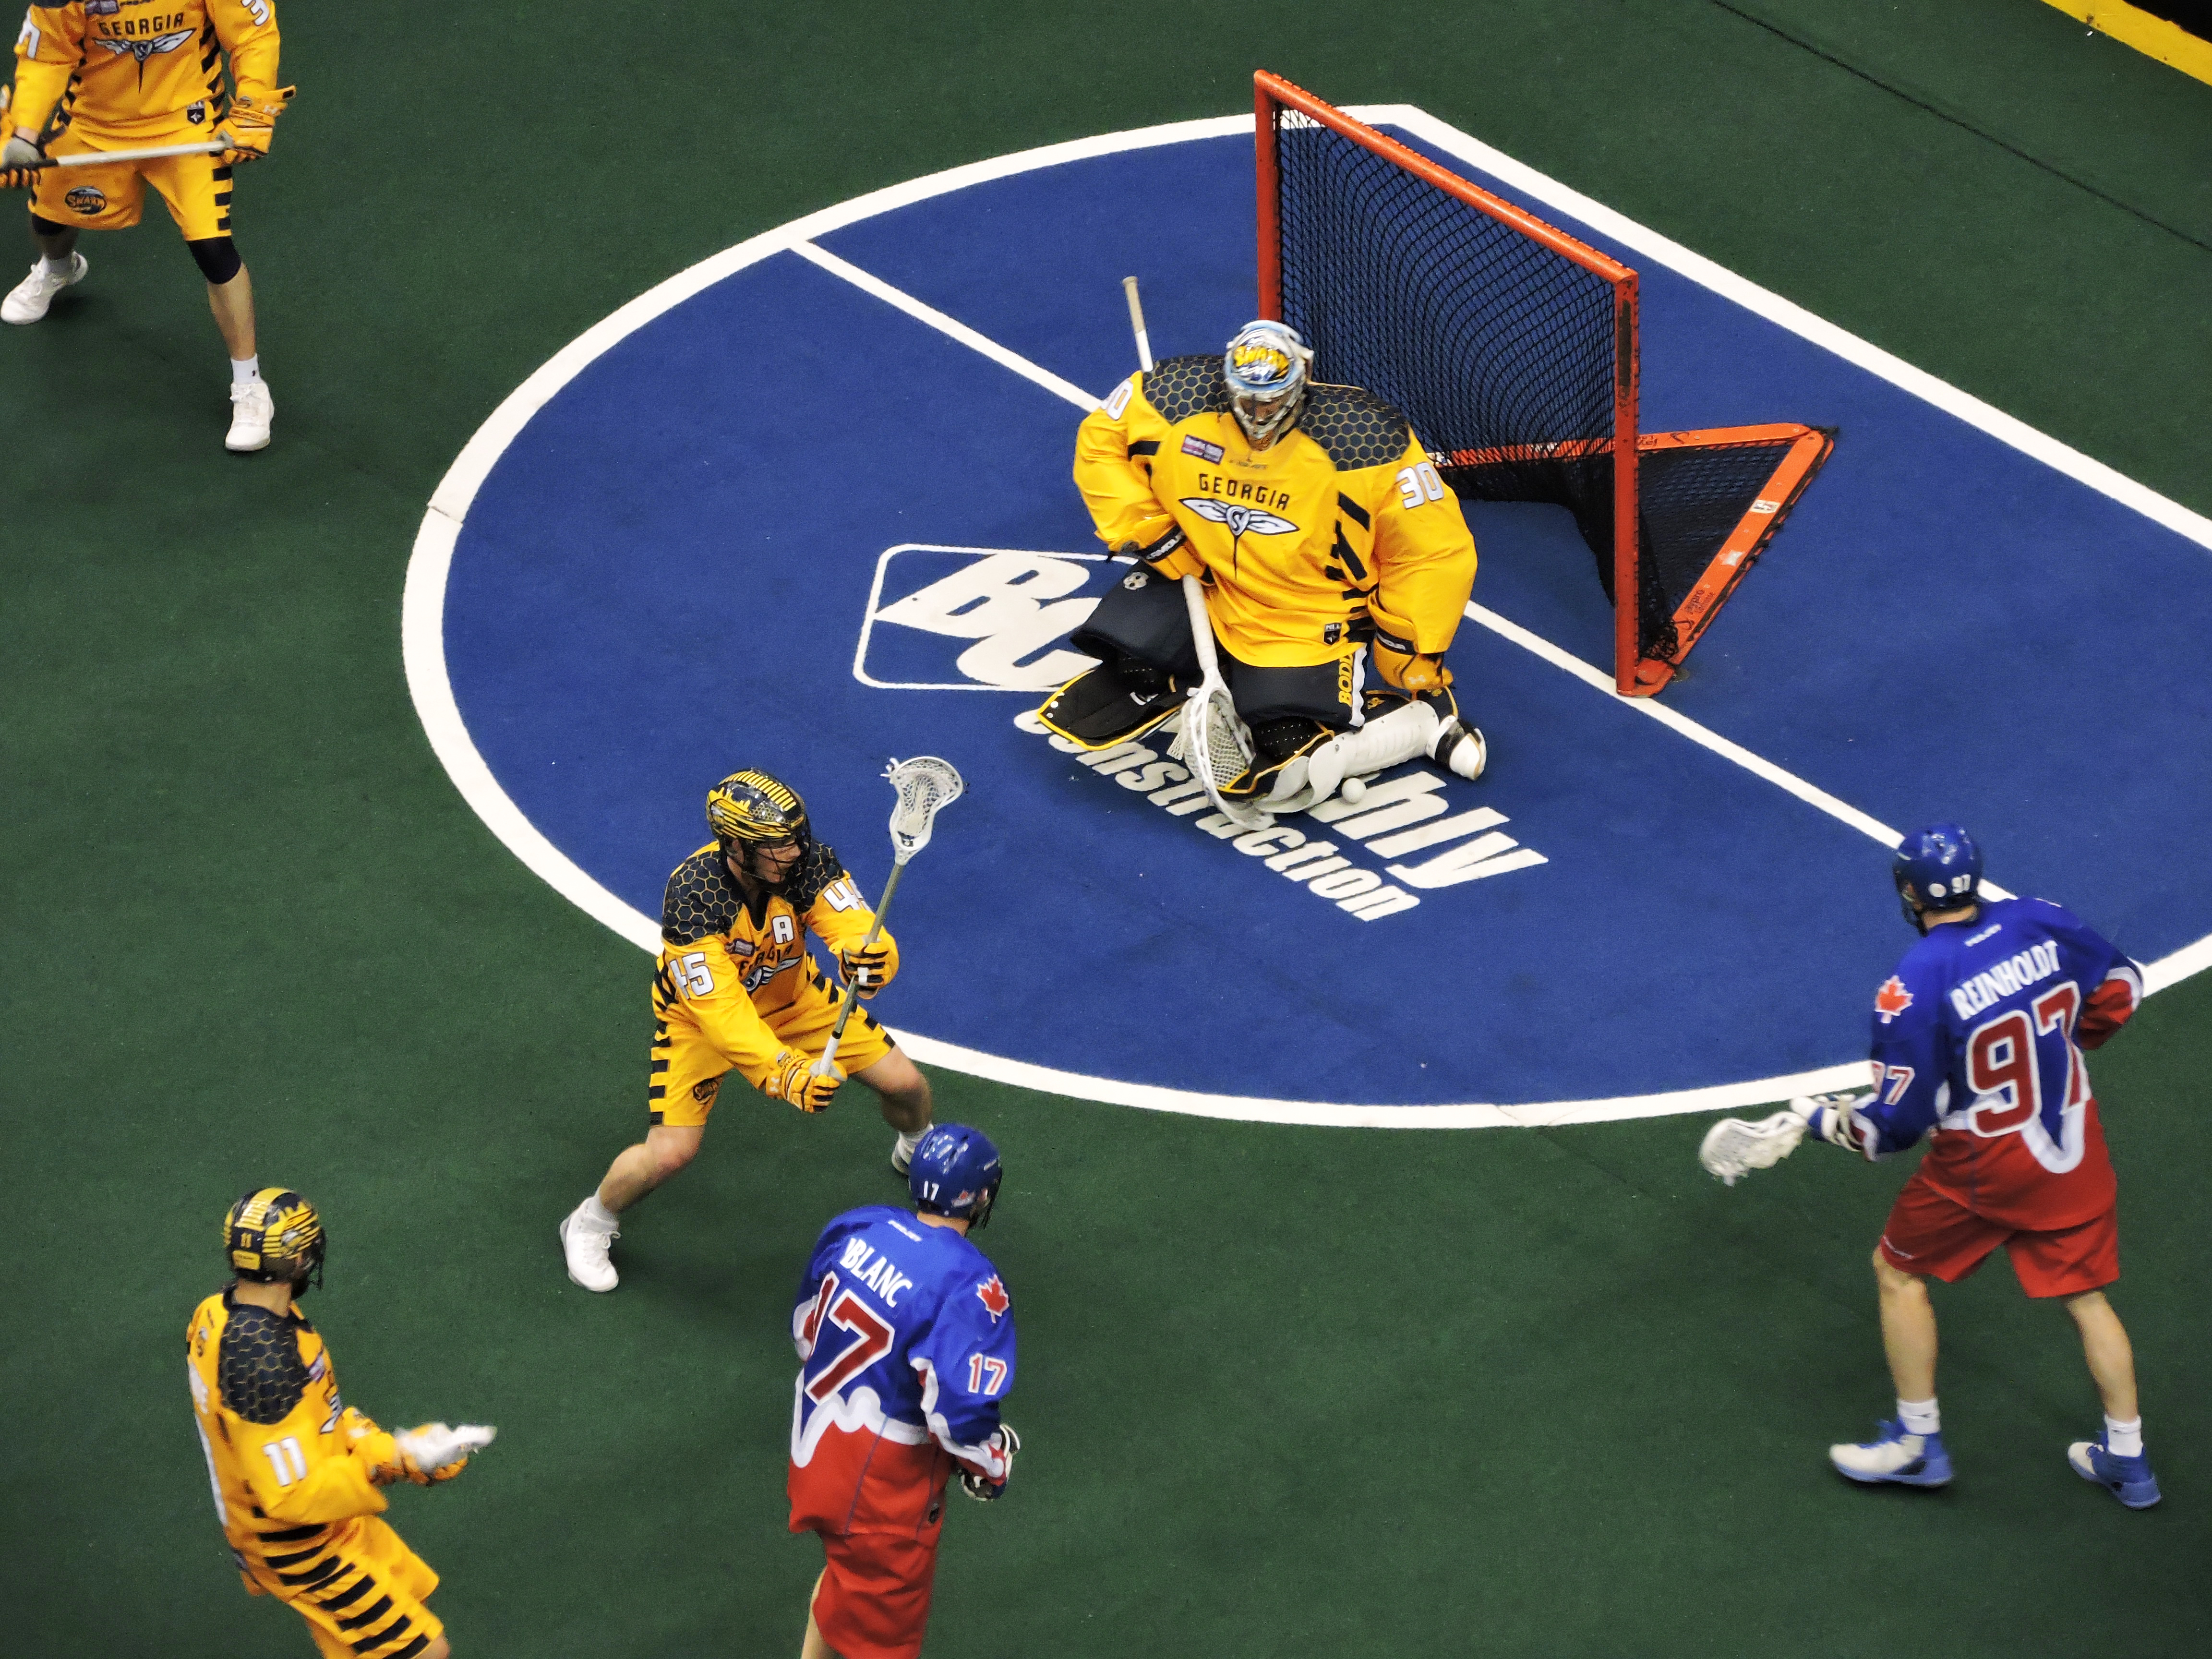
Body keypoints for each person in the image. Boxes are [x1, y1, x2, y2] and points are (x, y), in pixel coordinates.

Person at [1789, 824, 2155, 1506]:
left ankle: (1916, 1443)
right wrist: (2067, 1047)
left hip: (1985, 1167)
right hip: (2073, 1147)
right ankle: (2129, 1461)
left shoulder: (1912, 986)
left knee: (1896, 1271)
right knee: (2087, 1297)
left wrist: (1819, 1121)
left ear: (1908, 891)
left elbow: (1892, 1129)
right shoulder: (2040, 918)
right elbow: (2123, 988)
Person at [1038, 318, 1485, 810]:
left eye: (1271, 399)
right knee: (1127, 657)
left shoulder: (1366, 441)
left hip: (1304, 618)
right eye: (1247, 398)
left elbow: (1434, 551)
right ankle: (1212, 678)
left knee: (1284, 774)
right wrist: (1151, 529)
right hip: (1204, 581)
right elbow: (1101, 442)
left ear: (1303, 382)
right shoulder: (1172, 396)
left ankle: (1424, 725)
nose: (1258, 413)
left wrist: (1406, 649)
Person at [559, 769, 936, 1293]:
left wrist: (871, 959)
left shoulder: (807, 865)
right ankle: (590, 1221)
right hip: (700, 1023)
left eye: (796, 838)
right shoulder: (695, 896)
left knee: (908, 1087)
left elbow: (853, 925)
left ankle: (915, 1147)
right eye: (779, 845)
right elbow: (723, 1012)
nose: (796, 851)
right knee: (671, 1152)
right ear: (735, 845)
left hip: (794, 999)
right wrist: (784, 1072)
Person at [185, 1188, 496, 1659]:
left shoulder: (226, 1312)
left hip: (328, 1520)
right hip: (300, 1548)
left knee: (404, 1598)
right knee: (425, 1651)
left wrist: (400, 1453)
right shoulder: (262, 1362)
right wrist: (388, 1463)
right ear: (298, 1259)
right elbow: (291, 1495)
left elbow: (317, 1420)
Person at [1, 0, 293, 450]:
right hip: (94, 122)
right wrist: (22, 134)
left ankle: (250, 386)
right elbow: (47, 55)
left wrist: (252, 108)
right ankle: (58, 269)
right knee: (47, 220)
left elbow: (253, 35)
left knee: (214, 250)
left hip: (188, 128)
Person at [789, 1123, 1019, 1659]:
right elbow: (959, 1419)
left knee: (841, 1585)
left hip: (819, 1450)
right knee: (885, 1647)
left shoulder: (857, 1225)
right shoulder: (972, 1286)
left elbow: (806, 1330)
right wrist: (992, 1464)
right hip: (882, 1496)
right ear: (980, 1196)